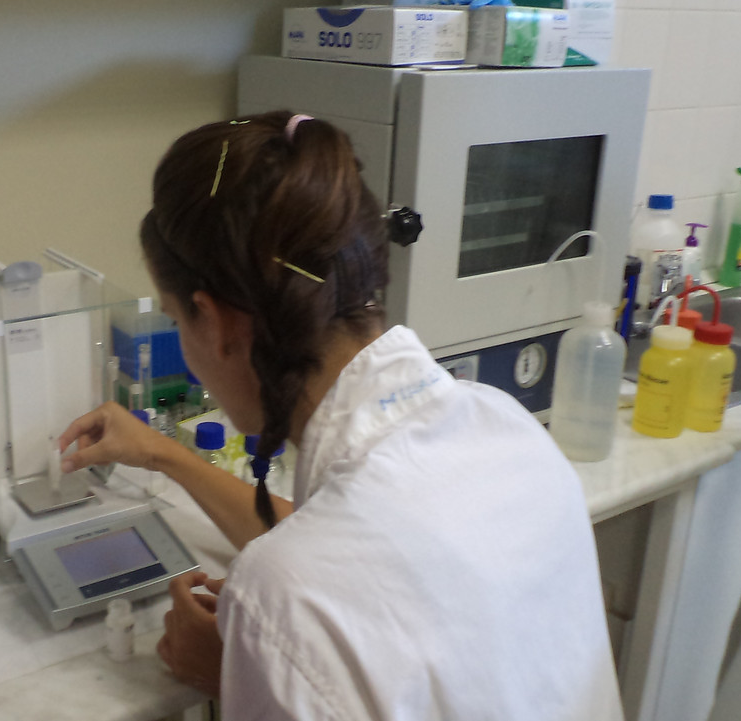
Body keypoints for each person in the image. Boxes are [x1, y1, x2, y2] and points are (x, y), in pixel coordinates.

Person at [58, 112, 621, 720]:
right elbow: (352, 552)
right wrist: (164, 454)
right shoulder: (508, 429)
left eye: (175, 320)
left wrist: (243, 671)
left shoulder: (289, 599)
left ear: (216, 323)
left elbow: (317, 576)